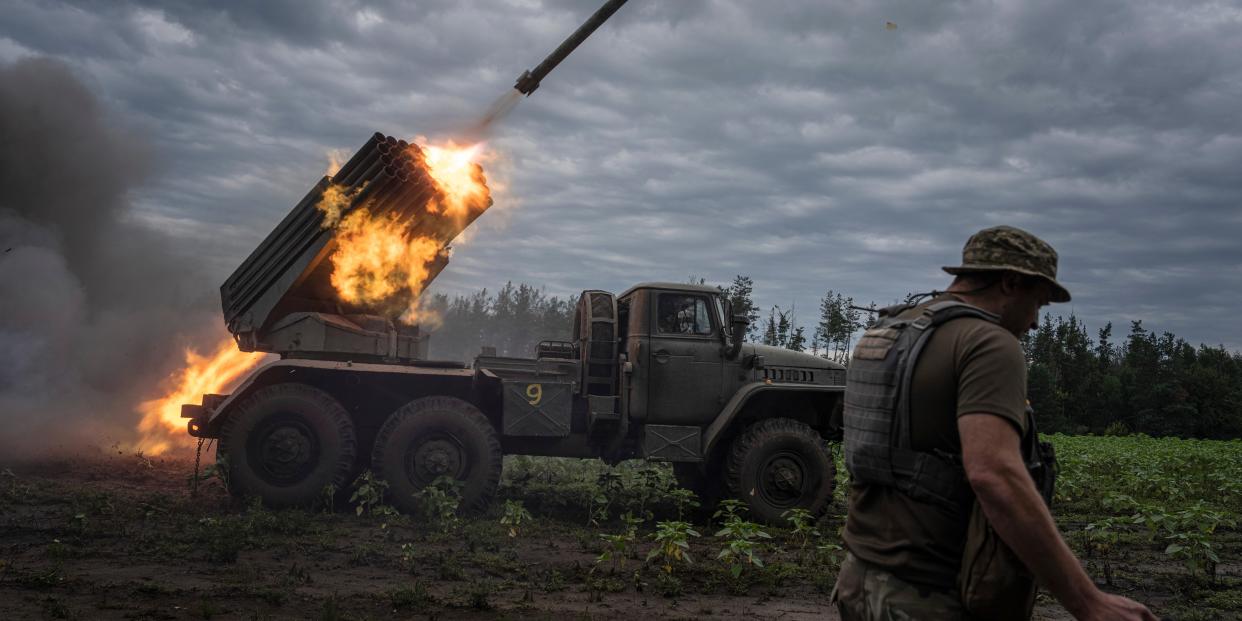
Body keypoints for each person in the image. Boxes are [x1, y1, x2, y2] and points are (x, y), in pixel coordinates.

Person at [832, 225, 1156, 621]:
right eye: (1038, 302)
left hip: (858, 581)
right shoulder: (988, 343)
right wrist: (1088, 602)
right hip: (929, 597)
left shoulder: (889, 331)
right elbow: (994, 474)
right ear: (1010, 282)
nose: (1036, 321)